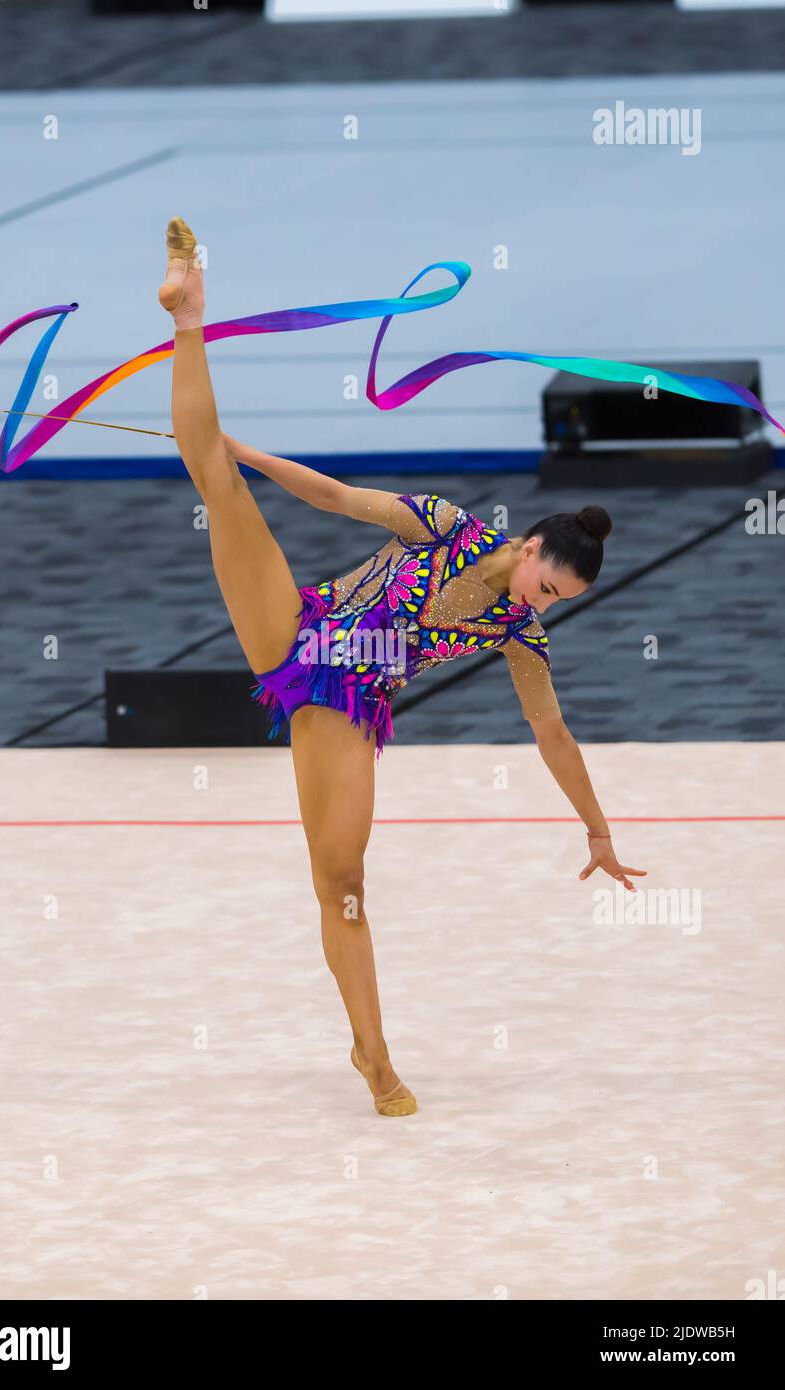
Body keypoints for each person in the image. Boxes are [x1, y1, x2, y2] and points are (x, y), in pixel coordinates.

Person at [159, 217, 646, 1117]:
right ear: (530, 543)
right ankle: (190, 312)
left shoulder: (517, 631)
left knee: (341, 884)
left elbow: (552, 733)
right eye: (545, 584)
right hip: (300, 630)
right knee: (215, 481)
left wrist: (598, 829)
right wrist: (253, 459)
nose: (540, 604)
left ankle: (371, 1054)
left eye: (555, 603)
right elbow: (342, 499)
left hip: (349, 697)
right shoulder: (447, 525)